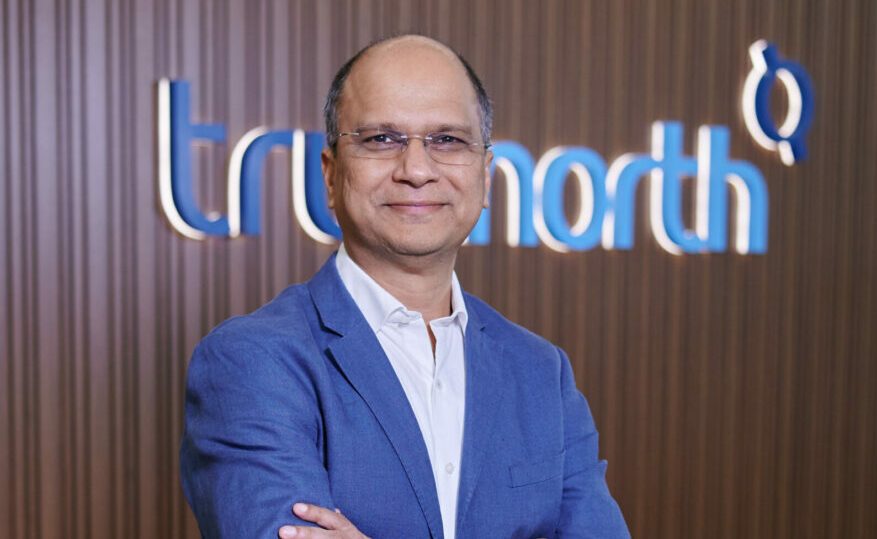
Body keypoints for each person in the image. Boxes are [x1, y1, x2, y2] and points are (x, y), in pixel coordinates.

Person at [180, 34, 629, 539]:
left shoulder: (541, 373)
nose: (416, 170)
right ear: (330, 175)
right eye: (381, 139)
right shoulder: (252, 361)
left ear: (484, 177)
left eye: (447, 140)